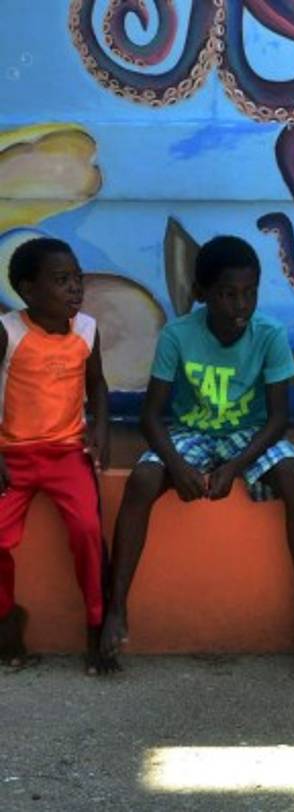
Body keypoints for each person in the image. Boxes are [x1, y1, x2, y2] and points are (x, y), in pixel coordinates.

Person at [99, 236, 294, 675]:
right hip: (191, 432)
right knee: (143, 481)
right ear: (203, 294)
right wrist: (179, 467)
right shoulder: (178, 335)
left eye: (249, 292)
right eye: (227, 293)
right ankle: (116, 609)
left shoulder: (269, 334)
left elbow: (278, 418)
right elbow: (152, 417)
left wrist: (236, 467)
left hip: (248, 436)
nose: (240, 304)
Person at [0, 238, 112, 675]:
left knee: (87, 528)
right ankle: (7, 619)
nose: (75, 289)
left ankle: (96, 626)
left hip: (67, 453)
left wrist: (100, 428)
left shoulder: (87, 329)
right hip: (14, 455)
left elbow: (98, 384)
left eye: (77, 279)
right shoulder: (9, 331)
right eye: (62, 281)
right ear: (29, 291)